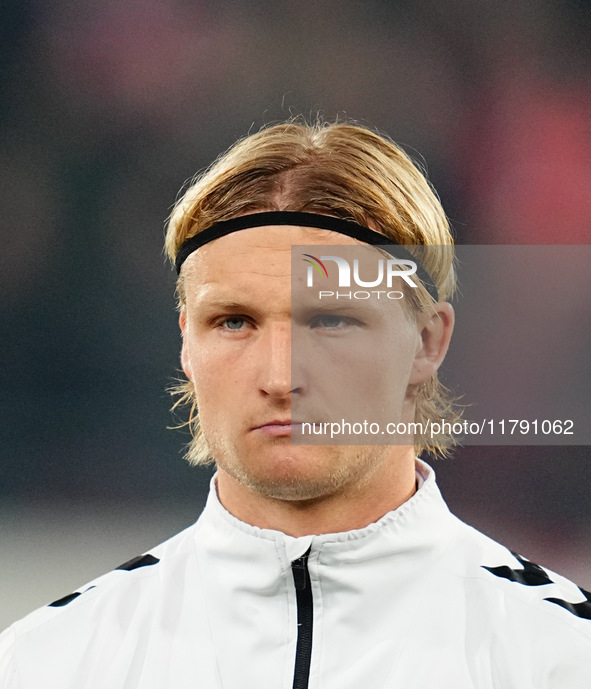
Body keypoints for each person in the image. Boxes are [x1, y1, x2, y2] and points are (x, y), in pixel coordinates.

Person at [1, 120, 589, 688]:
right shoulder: (46, 663)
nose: (280, 376)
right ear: (186, 340)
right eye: (234, 322)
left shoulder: (564, 658)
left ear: (428, 342)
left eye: (331, 320)